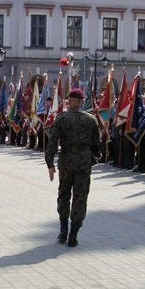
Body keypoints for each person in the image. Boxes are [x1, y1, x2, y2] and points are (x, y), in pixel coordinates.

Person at [45, 88, 101, 248]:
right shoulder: (91, 119)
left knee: (63, 195)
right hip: (84, 162)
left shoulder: (61, 119)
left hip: (66, 161)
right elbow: (97, 144)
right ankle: (73, 234)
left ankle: (63, 230)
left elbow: (52, 143)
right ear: (81, 101)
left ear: (70, 101)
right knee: (80, 197)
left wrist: (50, 164)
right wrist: (93, 154)